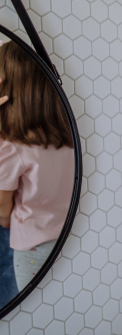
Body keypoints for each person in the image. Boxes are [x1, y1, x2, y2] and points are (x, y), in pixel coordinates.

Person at [0, 41, 74, 291]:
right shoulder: (70, 136)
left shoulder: (11, 147)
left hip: (31, 245)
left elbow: (2, 210)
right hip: (67, 236)